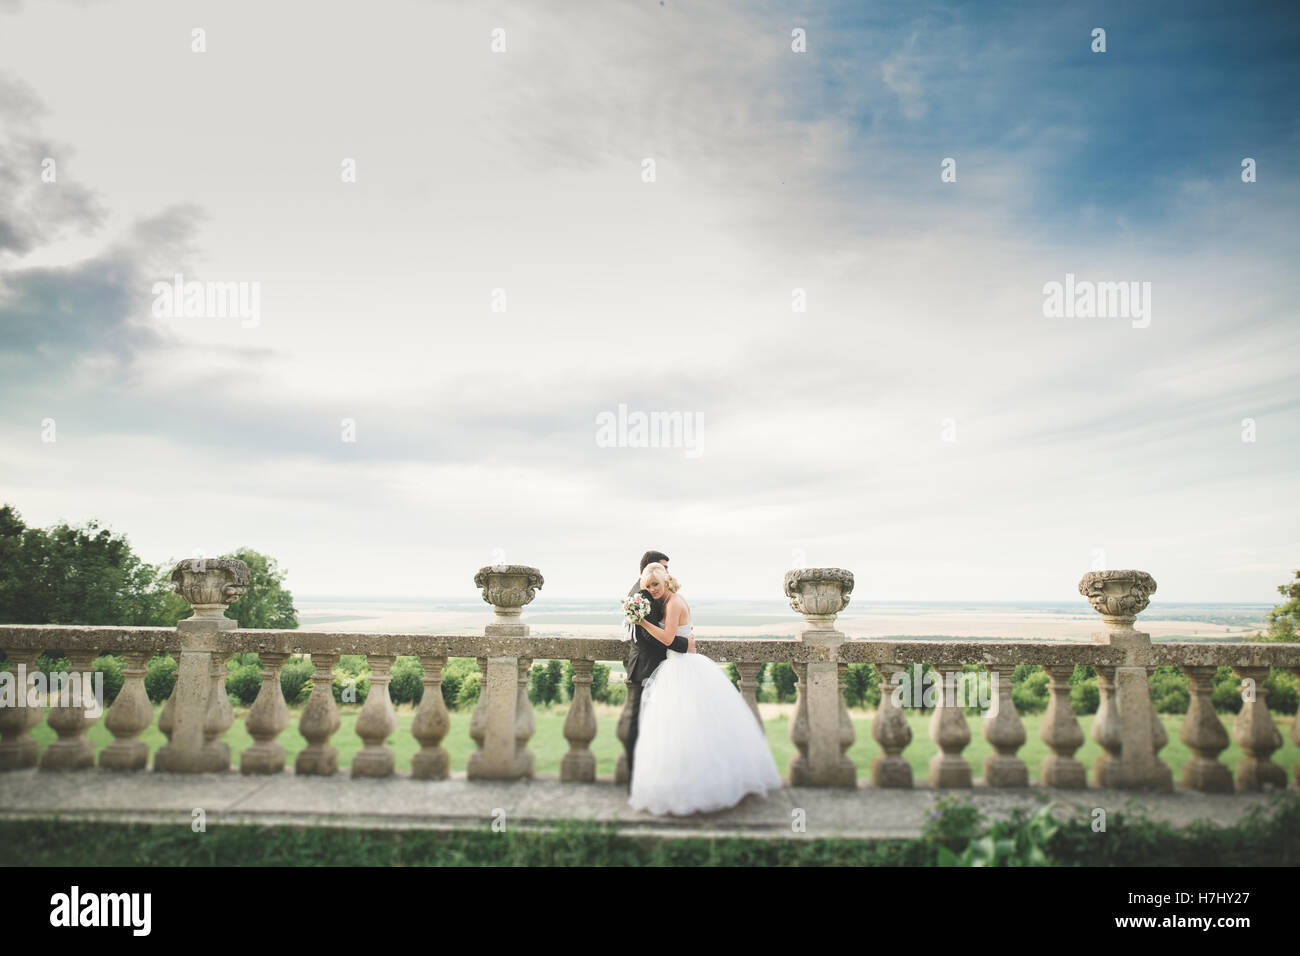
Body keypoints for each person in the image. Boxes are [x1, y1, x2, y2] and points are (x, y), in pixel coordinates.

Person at [627, 562, 783, 815]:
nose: (652, 589)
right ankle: (680, 784)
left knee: (695, 728)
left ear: (666, 581)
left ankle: (703, 787)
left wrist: (641, 622)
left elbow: (667, 638)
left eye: (655, 584)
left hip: (685, 668)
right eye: (647, 586)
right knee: (675, 730)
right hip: (674, 666)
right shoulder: (667, 602)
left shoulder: (675, 602)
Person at [622, 550, 695, 786]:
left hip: (664, 668)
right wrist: (684, 643)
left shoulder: (664, 597)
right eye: (663, 567)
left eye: (666, 571)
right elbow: (649, 634)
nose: (666, 572)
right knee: (639, 725)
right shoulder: (642, 594)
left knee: (662, 724)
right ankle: (636, 777)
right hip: (645, 668)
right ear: (647, 570)